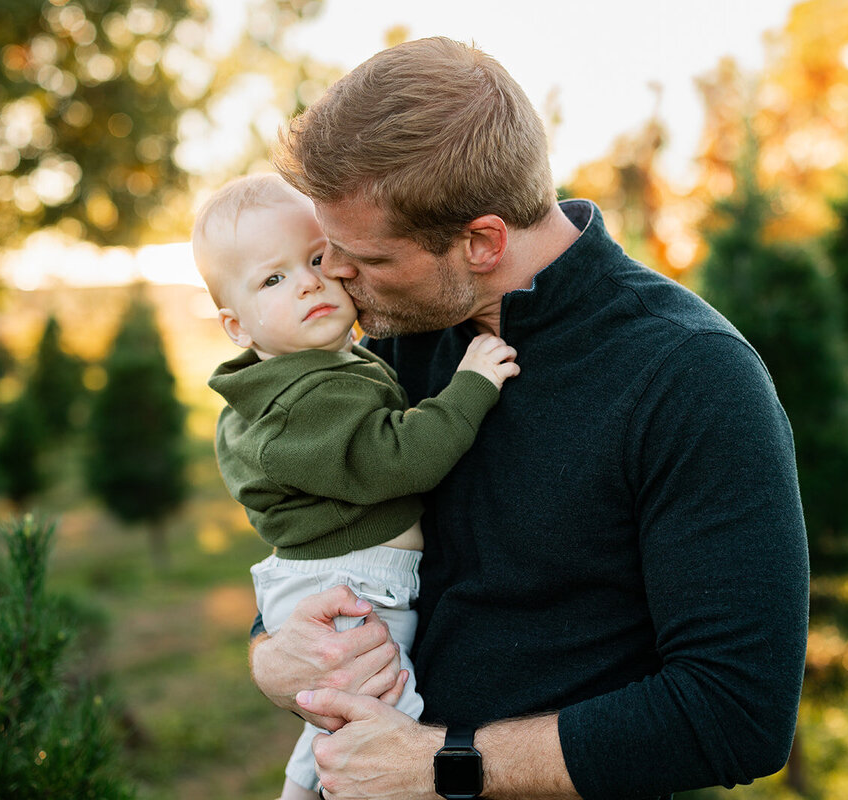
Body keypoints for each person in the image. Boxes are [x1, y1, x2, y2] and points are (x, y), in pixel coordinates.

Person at [248, 36, 810, 800]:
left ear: (481, 241)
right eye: (327, 250)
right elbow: (319, 531)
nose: (336, 278)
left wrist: (444, 766)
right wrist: (270, 652)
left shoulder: (693, 378)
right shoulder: (394, 332)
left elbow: (736, 712)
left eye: (366, 258)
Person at [192, 173, 521, 800]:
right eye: (274, 279)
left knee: (352, 719)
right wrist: (471, 383)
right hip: (355, 590)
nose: (310, 281)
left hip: (334, 577)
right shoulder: (306, 397)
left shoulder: (318, 367)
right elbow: (399, 458)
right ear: (237, 327)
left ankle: (298, 788)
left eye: (316, 259)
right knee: (393, 723)